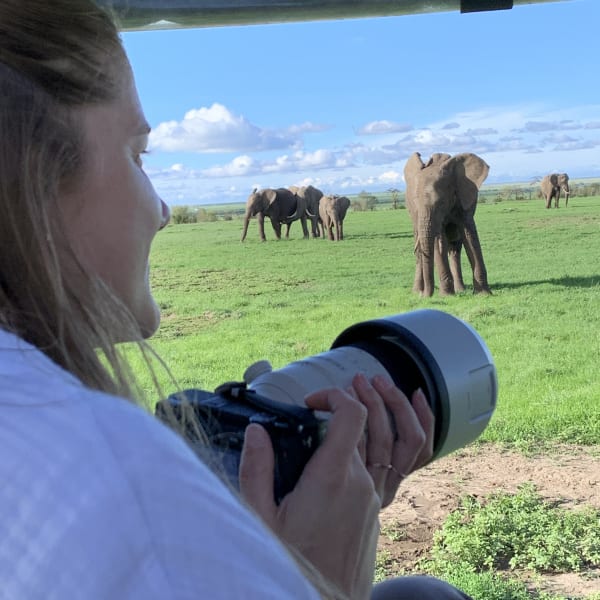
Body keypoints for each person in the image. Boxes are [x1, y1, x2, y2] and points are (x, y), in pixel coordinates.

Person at [0, 1, 472, 598]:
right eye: (137, 155)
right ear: (36, 179)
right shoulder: (117, 484)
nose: (163, 209)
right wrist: (319, 578)